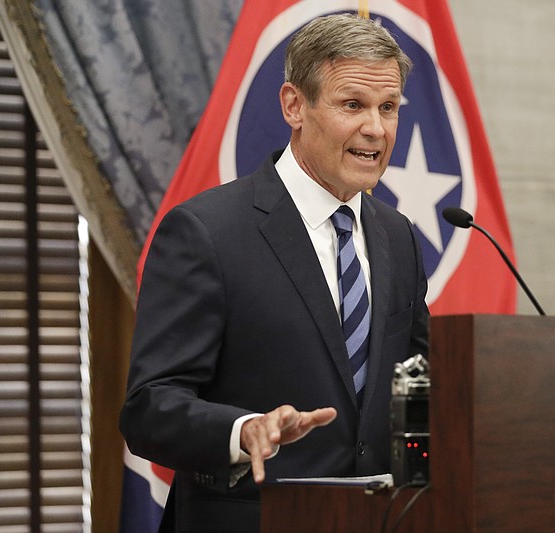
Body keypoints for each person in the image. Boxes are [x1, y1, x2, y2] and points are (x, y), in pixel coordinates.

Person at [119, 13, 429, 533]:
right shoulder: (205, 231)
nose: (376, 128)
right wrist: (243, 431)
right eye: (353, 104)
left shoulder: (397, 234)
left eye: (389, 107)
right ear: (294, 105)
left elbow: (417, 385)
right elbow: (149, 409)